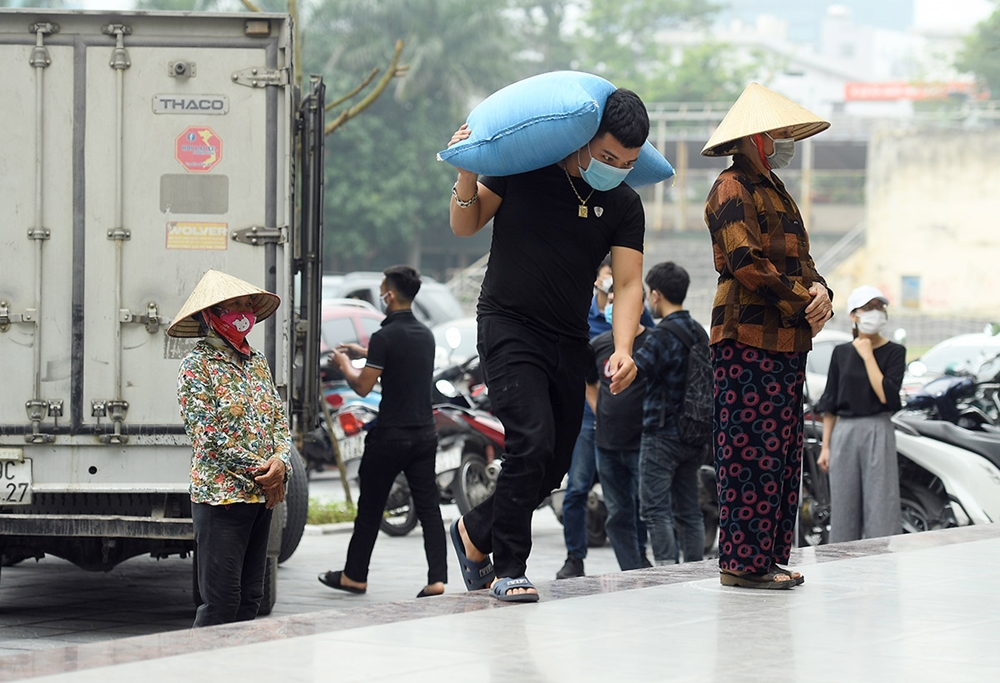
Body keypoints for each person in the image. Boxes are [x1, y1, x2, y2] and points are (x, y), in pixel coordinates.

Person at [447, 87, 650, 602]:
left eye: (626, 163)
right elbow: (465, 224)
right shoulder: (524, 169)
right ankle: (508, 566)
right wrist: (468, 170)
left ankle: (473, 531)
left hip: (569, 337)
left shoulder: (624, 203)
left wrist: (623, 346)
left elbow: (627, 284)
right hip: (508, 325)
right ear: (584, 138)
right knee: (531, 442)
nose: (615, 169)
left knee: (553, 464)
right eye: (607, 157)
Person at [702, 82, 835, 589]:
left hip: (786, 339)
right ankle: (741, 563)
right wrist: (805, 300)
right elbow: (745, 263)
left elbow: (804, 262)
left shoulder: (776, 189)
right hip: (745, 337)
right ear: (757, 138)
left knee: (780, 455)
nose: (786, 141)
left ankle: (768, 558)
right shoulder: (731, 187)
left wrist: (822, 291)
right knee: (747, 452)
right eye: (779, 133)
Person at [169, 269, 291, 627]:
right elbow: (208, 438)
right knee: (221, 602)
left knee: (250, 599)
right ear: (210, 316)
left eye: (246, 304)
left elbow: (278, 422)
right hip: (221, 498)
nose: (242, 311)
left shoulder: (258, 362)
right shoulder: (197, 366)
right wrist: (266, 474)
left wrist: (281, 462)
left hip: (261, 499)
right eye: (232, 306)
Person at [318, 266, 447, 599]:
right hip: (424, 435)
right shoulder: (425, 334)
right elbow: (403, 363)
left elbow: (362, 386)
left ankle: (355, 577)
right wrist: (366, 353)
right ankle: (437, 579)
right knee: (429, 507)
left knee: (371, 508)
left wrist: (343, 363)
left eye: (382, 289)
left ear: (389, 295)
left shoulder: (384, 336)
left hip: (390, 437)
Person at [558, 257, 655, 579]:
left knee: (634, 498)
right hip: (588, 420)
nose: (615, 289)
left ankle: (638, 559)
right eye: (609, 279)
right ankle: (574, 557)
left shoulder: (642, 323)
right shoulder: (584, 319)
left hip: (630, 426)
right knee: (577, 489)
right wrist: (599, 411)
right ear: (597, 279)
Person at [816, 285, 905, 542]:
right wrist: (826, 447)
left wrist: (867, 356)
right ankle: (842, 563)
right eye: (868, 308)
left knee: (881, 502)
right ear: (854, 315)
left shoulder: (894, 352)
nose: (875, 313)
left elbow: (886, 395)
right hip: (845, 431)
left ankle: (883, 562)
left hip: (879, 428)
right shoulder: (841, 352)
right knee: (844, 503)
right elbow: (830, 401)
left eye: (879, 307)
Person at [633, 262, 707, 565]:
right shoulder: (699, 331)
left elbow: (637, 371)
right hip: (696, 433)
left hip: (662, 434)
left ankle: (666, 569)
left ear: (655, 295)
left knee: (654, 508)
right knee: (689, 509)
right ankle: (694, 567)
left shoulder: (661, 335)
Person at [586, 290, 649, 571]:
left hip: (644, 441)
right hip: (607, 443)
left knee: (646, 510)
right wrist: (601, 413)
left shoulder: (653, 342)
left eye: (619, 302)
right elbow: (588, 383)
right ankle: (632, 569)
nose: (613, 307)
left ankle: (648, 563)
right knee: (618, 513)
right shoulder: (599, 344)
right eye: (610, 302)